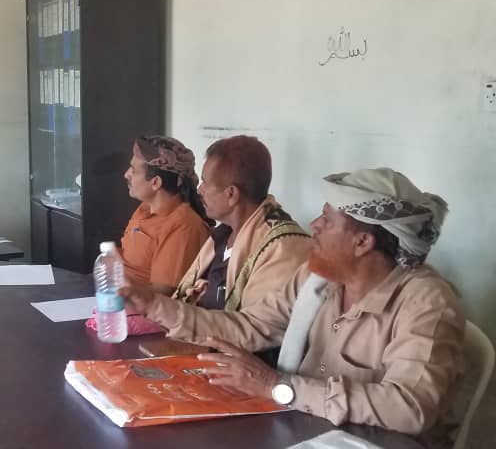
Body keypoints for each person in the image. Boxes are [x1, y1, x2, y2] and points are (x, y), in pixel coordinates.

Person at [121, 168, 464, 441]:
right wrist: (153, 305)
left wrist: (277, 386)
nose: (314, 225)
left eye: (327, 219)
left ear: (362, 242)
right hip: (308, 431)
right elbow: (250, 326)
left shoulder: (427, 302)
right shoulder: (319, 279)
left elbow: (410, 408)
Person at [170, 135, 311, 313]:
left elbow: (255, 325)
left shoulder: (282, 249)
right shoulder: (222, 235)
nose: (199, 191)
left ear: (231, 194)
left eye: (205, 182)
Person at [119, 135, 211, 292]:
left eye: (133, 171)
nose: (126, 174)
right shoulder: (145, 208)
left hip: (135, 303)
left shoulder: (183, 226)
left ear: (155, 182)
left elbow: (164, 293)